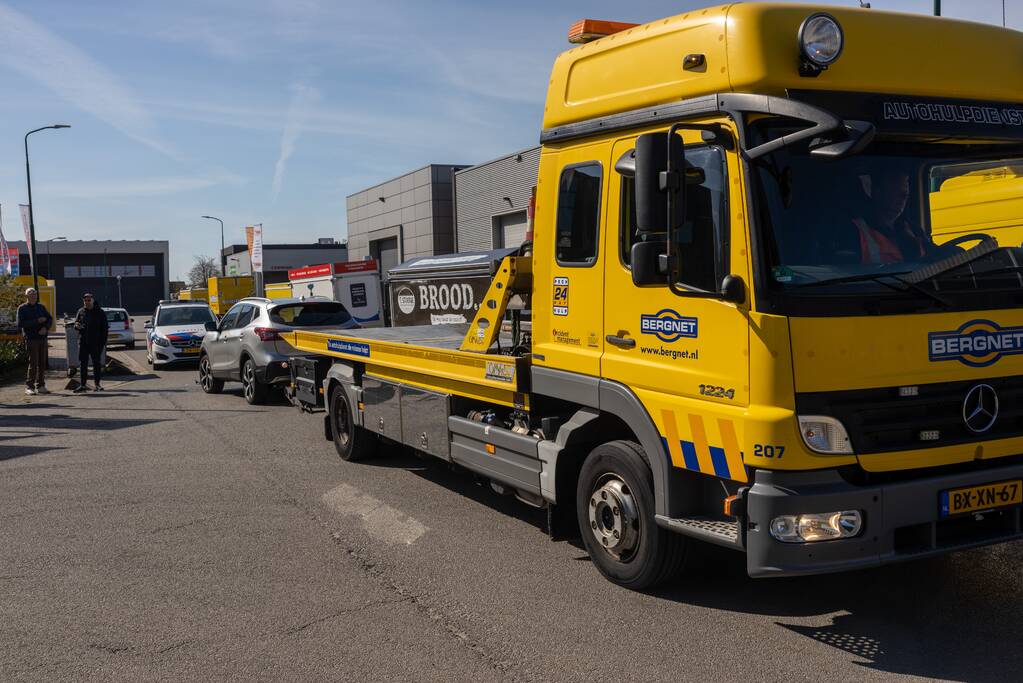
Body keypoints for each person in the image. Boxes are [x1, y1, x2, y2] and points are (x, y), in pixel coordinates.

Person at [847, 170, 934, 265]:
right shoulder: (855, 231)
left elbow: (934, 256)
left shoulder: (914, 229)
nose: (903, 199)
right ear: (877, 193)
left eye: (905, 195)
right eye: (896, 193)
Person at [16, 288, 53, 396]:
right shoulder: (22, 308)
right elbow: (20, 324)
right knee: (33, 363)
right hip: (31, 338)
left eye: (35, 294)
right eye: (31, 294)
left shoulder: (41, 307)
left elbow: (49, 319)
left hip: (42, 338)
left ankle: (41, 385)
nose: (34, 296)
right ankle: (29, 387)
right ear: (26, 296)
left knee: (42, 363)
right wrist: (36, 321)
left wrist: (45, 328)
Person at [73, 293, 108, 392]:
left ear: (92, 300)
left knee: (96, 364)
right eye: (85, 300)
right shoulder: (80, 311)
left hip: (96, 343)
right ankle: (83, 385)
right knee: (83, 364)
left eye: (89, 300)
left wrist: (102, 343)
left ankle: (97, 385)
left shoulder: (100, 312)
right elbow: (76, 323)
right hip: (83, 342)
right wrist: (77, 325)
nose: (87, 302)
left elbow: (104, 329)